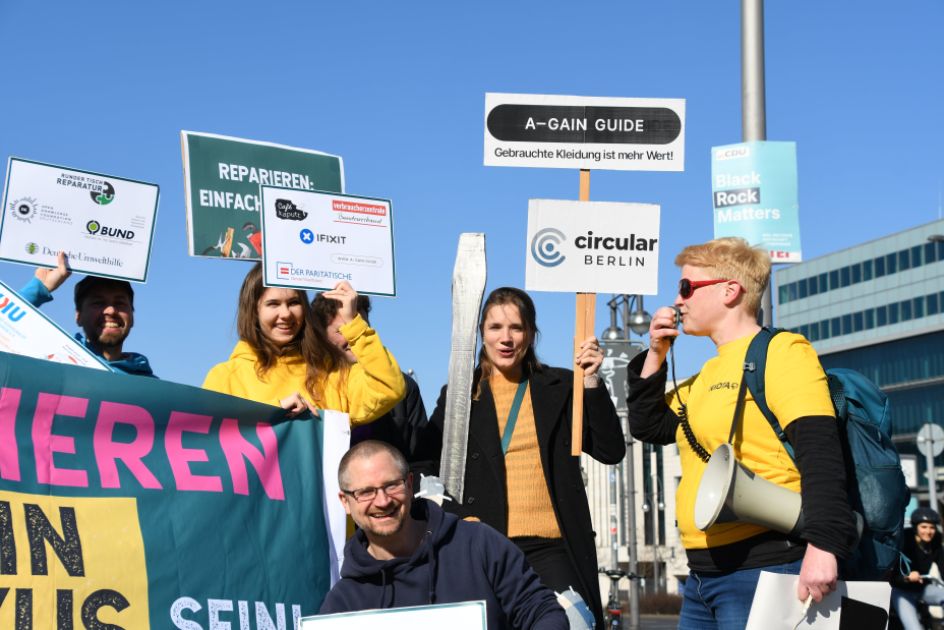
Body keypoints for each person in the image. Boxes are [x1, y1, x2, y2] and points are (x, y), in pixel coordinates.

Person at [627, 237, 858, 628]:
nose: (678, 301)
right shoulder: (706, 375)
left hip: (766, 567)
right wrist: (655, 354)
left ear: (730, 291)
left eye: (686, 287)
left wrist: (824, 546)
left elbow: (820, 453)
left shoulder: (783, 352)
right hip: (703, 576)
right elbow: (649, 425)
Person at [429, 287, 625, 627]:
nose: (506, 338)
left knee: (572, 623)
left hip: (553, 547)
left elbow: (610, 450)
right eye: (495, 328)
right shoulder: (459, 394)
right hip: (486, 545)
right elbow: (423, 463)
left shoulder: (563, 385)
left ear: (531, 334)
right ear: (482, 334)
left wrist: (592, 381)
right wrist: (457, 515)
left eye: (516, 328)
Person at [319, 440, 568, 630]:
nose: (382, 501)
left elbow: (542, 612)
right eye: (366, 492)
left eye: (391, 485)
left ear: (409, 484)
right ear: (345, 501)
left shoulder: (478, 545)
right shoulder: (342, 606)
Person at [203, 263, 405, 424]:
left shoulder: (332, 371)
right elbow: (207, 440)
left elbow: (389, 388)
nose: (285, 314)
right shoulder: (224, 377)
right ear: (253, 311)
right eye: (273, 304)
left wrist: (353, 323)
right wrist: (273, 413)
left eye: (293, 303)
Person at [311, 292, 437, 475]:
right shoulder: (312, 387)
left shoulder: (405, 386)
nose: (351, 337)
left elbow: (422, 458)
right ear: (322, 335)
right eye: (340, 330)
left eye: (357, 326)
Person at [19, 251, 156, 376]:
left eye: (120, 303)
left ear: (132, 316)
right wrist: (38, 288)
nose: (111, 310)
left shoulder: (151, 389)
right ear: (78, 316)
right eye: (98, 303)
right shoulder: (52, 361)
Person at [889, 507, 944, 630]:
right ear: (915, 527)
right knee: (914, 628)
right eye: (924, 527)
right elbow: (893, 577)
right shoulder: (904, 540)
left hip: (922, 588)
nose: (928, 531)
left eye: (932, 527)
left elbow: (942, 565)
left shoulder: (935, 541)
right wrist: (907, 577)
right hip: (902, 592)